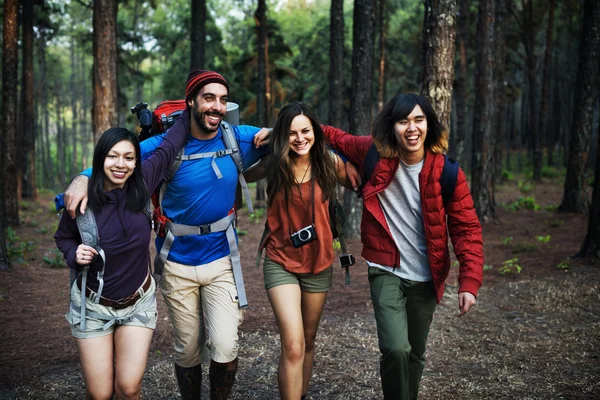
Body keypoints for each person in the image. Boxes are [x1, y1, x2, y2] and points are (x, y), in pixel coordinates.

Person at [62, 70, 270, 400]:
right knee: (187, 349)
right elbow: (119, 158)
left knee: (226, 344)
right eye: (208, 98)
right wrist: (81, 178)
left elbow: (295, 137)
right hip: (176, 260)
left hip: (221, 259)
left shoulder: (237, 138)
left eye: (222, 99)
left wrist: (276, 132)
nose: (217, 106)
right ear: (191, 102)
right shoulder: (164, 144)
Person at [322, 93, 484, 400]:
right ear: (391, 127)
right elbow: (329, 135)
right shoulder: (373, 154)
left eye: (419, 120)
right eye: (403, 120)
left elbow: (466, 229)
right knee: (396, 349)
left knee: (415, 353)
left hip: (427, 275)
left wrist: (470, 281)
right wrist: (280, 132)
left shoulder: (447, 172)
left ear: (429, 126)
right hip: (386, 270)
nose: (412, 128)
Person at [54, 120, 188, 399]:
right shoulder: (81, 199)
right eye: (113, 156)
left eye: (129, 157)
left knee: (128, 388)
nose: (121, 164)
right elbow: (63, 238)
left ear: (137, 162)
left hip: (137, 303)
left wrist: (192, 107)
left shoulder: (143, 183)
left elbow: (168, 147)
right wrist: (73, 254)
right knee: (100, 394)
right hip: (92, 308)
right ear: (100, 158)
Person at [257, 102, 349, 400]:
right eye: (292, 132)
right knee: (294, 343)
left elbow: (366, 177)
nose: (300, 138)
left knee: (308, 340)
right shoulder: (274, 162)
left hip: (319, 261)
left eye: (305, 131)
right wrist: (267, 134)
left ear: (315, 131)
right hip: (280, 260)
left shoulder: (328, 162)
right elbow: (236, 170)